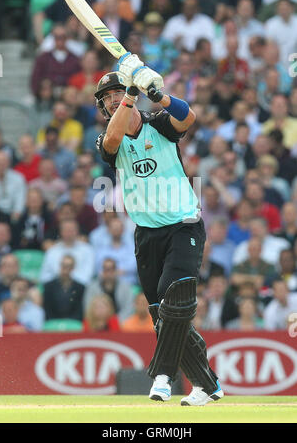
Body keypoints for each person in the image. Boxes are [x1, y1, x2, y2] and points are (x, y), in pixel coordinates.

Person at [95, 58, 223, 405]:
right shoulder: (110, 139)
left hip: (183, 223)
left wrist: (159, 95)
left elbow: (189, 118)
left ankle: (163, 376)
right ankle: (208, 386)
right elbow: (115, 135)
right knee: (163, 318)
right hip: (147, 234)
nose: (111, 101)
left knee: (174, 294)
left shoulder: (160, 124)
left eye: (116, 93)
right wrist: (132, 90)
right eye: (106, 98)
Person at [43, 254, 85, 321]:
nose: (65, 269)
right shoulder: (49, 286)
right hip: (52, 323)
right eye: (63, 265)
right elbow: (47, 309)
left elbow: (79, 310)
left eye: (68, 266)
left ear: (73, 268)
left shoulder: (80, 288)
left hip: (73, 323)